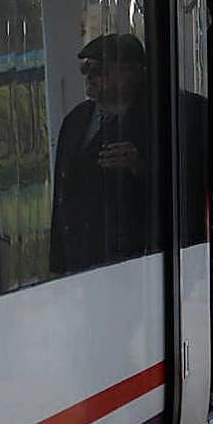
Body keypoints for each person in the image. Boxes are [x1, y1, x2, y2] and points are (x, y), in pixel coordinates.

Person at [49, 33, 155, 275]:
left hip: (130, 263)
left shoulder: (156, 120)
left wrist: (139, 166)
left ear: (134, 73)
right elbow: (62, 195)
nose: (91, 77)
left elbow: (179, 188)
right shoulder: (75, 120)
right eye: (86, 68)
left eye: (102, 70)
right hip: (80, 263)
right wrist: (58, 263)